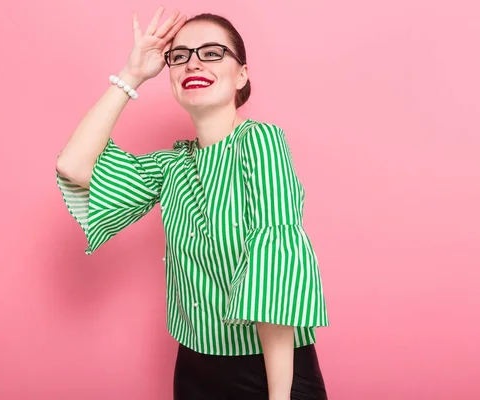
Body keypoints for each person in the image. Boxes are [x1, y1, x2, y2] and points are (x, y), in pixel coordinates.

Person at [55, 6, 329, 400]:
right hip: (194, 369)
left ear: (242, 74)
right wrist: (132, 75)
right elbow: (73, 165)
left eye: (212, 52)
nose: (193, 63)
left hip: (267, 371)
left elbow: (277, 266)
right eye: (179, 56)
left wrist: (279, 396)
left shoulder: (261, 143)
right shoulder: (171, 166)